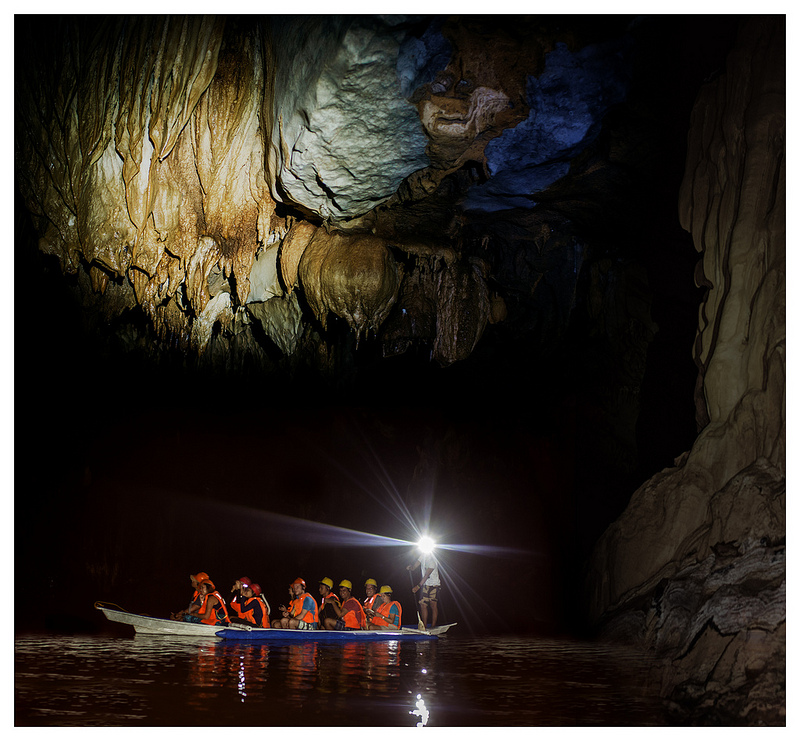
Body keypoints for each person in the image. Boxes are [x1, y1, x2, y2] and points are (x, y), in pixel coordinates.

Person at [407, 549, 440, 628]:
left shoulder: (433, 560)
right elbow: (415, 566)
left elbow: (426, 575)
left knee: (433, 604)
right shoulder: (422, 555)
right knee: (423, 604)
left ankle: (433, 626)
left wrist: (418, 586)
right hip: (425, 584)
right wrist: (411, 568)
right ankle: (424, 626)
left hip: (434, 585)